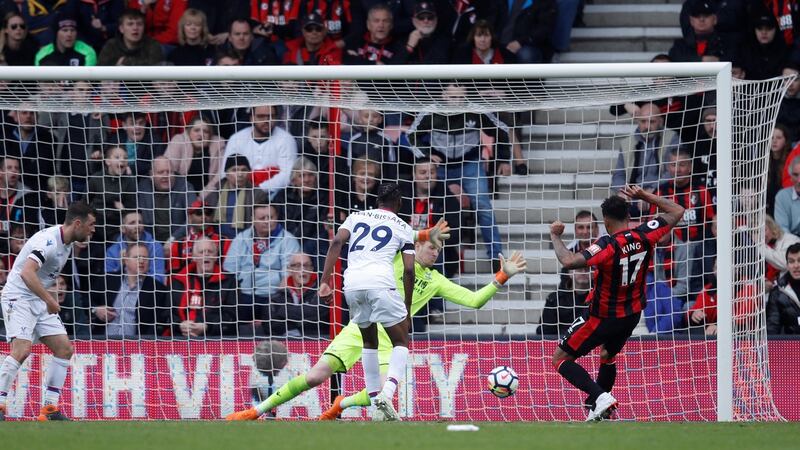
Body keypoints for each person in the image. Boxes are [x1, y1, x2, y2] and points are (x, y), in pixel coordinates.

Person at [225, 196, 455, 422]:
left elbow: (474, 300)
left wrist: (494, 281)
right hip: (359, 325)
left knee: (382, 387)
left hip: (378, 324)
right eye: (430, 246)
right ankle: (256, 411)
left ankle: (343, 403)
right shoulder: (397, 246)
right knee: (316, 376)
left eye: (437, 248)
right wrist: (423, 234)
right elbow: (393, 236)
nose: (434, 251)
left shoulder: (435, 277)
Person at [549, 185, 684, 421]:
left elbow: (569, 261)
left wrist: (555, 236)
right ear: (628, 217)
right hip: (631, 315)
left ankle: (599, 396)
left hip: (601, 317)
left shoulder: (607, 245)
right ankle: (597, 411)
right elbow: (676, 210)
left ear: (605, 221)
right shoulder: (645, 233)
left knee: (561, 358)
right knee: (607, 355)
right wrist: (643, 195)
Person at [318, 183, 414, 421]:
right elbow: (409, 270)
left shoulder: (355, 217)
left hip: (352, 284)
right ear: (399, 203)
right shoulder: (403, 226)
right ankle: (387, 393)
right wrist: (408, 308)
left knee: (369, 341)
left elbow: (336, 243)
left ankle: (375, 404)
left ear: (377, 202)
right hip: (380, 282)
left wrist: (325, 282)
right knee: (401, 341)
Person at [0, 202, 96, 421]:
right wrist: (49, 299)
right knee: (22, 349)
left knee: (64, 348)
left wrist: (44, 299)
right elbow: (26, 272)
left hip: (37, 298)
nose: (93, 230)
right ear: (78, 223)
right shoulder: (49, 241)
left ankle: (49, 410)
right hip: (19, 296)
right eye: (91, 225)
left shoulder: (68, 243)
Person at [223, 204, 300, 336]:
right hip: (244, 295)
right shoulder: (241, 238)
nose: (267, 221)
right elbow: (229, 270)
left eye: (271, 217)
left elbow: (290, 273)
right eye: (262, 218)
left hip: (273, 295)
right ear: (253, 219)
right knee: (229, 313)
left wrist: (280, 292)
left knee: (276, 315)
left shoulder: (288, 239)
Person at [90, 242, 172, 339]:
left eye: (145, 258)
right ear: (126, 260)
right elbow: (87, 301)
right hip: (102, 343)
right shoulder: (107, 280)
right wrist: (95, 310)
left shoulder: (157, 290)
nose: (141, 261)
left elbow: (160, 322)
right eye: (137, 257)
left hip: (137, 348)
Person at [219, 105, 298, 199]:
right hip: (239, 193)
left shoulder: (286, 139)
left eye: (271, 116)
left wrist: (259, 190)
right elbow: (225, 172)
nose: (267, 121)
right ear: (251, 118)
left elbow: (288, 174)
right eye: (261, 116)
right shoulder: (236, 139)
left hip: (276, 196)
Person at [170, 237, 238, 338]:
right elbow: (166, 314)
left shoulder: (229, 282)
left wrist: (207, 327)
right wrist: (180, 325)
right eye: (201, 252)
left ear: (216, 256)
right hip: (180, 337)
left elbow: (233, 316)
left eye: (210, 251)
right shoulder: (178, 281)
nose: (206, 254)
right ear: (193, 257)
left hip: (216, 339)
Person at [610, 102, 679, 198]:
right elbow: (619, 174)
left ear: (660, 122)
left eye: (652, 122)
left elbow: (673, 172)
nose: (647, 126)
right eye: (643, 121)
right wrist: (623, 191)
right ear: (638, 121)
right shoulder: (627, 143)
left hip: (660, 193)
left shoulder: (671, 138)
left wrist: (652, 191)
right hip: (632, 194)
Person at [266, 252, 330, 337]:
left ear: (312, 269)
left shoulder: (322, 290)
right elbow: (270, 324)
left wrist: (284, 311)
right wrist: (302, 321)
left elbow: (319, 314)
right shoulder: (280, 294)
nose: (303, 269)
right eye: (297, 265)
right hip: (286, 343)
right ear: (289, 269)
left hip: (315, 341)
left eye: (307, 265)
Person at [137, 156, 198, 243]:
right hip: (148, 242)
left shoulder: (185, 187)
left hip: (179, 241)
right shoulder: (142, 187)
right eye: (161, 172)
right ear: (151, 175)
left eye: (169, 172)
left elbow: (194, 218)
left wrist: (173, 239)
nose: (166, 176)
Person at [206, 154, 268, 239]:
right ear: (227, 174)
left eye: (244, 170)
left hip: (245, 241)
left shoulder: (258, 194)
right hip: (216, 241)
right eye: (235, 170)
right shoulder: (215, 193)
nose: (240, 174)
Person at [162, 117, 225, 196]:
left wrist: (202, 197)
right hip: (179, 193)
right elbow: (170, 170)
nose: (201, 135)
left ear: (210, 135)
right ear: (189, 132)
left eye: (205, 131)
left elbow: (219, 177)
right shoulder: (179, 141)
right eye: (196, 130)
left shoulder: (218, 146)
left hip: (208, 196)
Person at [105, 210, 167, 283]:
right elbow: (108, 282)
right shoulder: (112, 251)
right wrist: (121, 267)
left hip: (146, 292)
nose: (137, 226)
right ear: (122, 228)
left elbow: (158, 279)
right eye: (132, 223)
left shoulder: (155, 247)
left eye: (140, 222)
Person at [98, 8, 164, 66]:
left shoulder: (152, 44)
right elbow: (100, 71)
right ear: (121, 29)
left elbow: (156, 67)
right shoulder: (111, 45)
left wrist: (125, 62)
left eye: (139, 24)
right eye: (130, 24)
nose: (135, 28)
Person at [538, 268, 590, 337]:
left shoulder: (600, 296)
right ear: (569, 273)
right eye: (579, 269)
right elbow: (545, 330)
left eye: (587, 270)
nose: (583, 272)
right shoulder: (555, 299)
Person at [767, 243, 800, 334]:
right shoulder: (777, 292)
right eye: (791, 261)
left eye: (799, 260)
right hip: (792, 346)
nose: (796, 265)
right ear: (787, 265)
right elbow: (772, 328)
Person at [761, 215, 800, 291]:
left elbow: (784, 263)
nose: (763, 235)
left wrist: (760, 245)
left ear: (771, 226)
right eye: (757, 232)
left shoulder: (789, 239)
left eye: (765, 230)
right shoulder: (766, 246)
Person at [774, 156, 800, 236]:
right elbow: (782, 229)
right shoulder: (782, 197)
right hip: (792, 243)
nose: (799, 180)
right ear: (791, 177)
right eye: (796, 175)